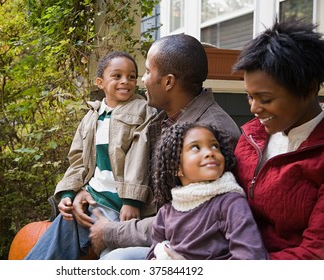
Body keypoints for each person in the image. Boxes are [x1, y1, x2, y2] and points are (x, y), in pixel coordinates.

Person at [87, 34, 242, 260]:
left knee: (114, 259)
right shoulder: (162, 122)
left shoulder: (211, 135)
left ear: (168, 82)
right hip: (157, 228)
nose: (142, 81)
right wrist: (81, 190)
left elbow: (187, 217)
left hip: (192, 248)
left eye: (148, 72)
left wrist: (111, 232)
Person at [24, 51, 157, 259]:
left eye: (132, 76)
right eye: (117, 76)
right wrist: (69, 193)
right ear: (100, 82)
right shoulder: (91, 118)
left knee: (112, 255)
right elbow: (77, 160)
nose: (126, 81)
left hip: (121, 204)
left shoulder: (142, 110)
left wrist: (133, 200)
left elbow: (139, 157)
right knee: (58, 234)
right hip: (94, 198)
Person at [231, 18, 324, 259]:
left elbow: (314, 254)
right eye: (249, 97)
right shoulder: (251, 135)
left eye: (265, 99)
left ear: (309, 88)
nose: (254, 108)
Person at [147, 122, 268, 260]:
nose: (210, 152)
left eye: (214, 146)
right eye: (195, 147)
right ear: (175, 168)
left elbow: (250, 257)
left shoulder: (231, 203)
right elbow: (153, 252)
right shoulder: (166, 212)